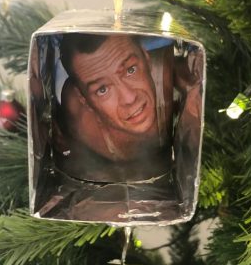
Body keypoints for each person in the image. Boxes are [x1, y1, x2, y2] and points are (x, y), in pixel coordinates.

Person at [53, 33, 174, 181]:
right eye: (102, 89)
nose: (129, 98)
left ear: (145, 55)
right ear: (83, 99)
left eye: (131, 70)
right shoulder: (81, 118)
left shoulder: (171, 78)